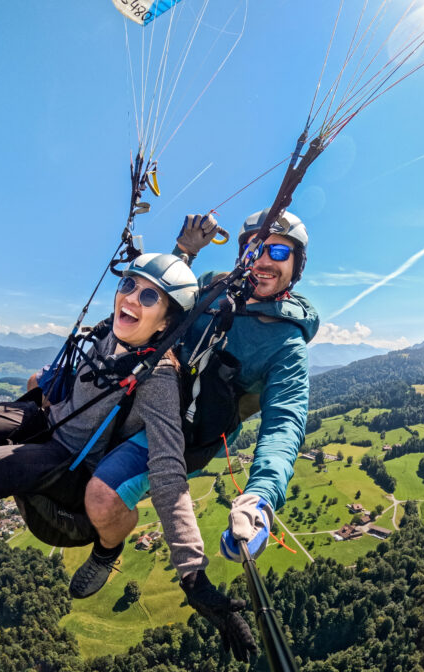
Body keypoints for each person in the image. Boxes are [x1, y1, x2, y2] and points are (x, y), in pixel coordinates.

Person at [0, 254, 255, 659]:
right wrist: (183, 249)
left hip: (69, 457)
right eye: (128, 285)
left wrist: (193, 577)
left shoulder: (159, 378)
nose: (130, 297)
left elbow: (168, 471)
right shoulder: (111, 333)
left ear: (166, 323)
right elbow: (144, 303)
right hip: (47, 417)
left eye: (149, 296)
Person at [73, 209, 318, 596]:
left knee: (103, 498)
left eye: (280, 252)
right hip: (143, 395)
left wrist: (259, 499)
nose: (266, 260)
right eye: (257, 248)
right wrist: (183, 252)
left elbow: (284, 423)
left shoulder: (286, 344)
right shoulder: (212, 287)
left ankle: (106, 552)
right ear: (242, 254)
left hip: (186, 432)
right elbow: (161, 306)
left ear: (296, 266)